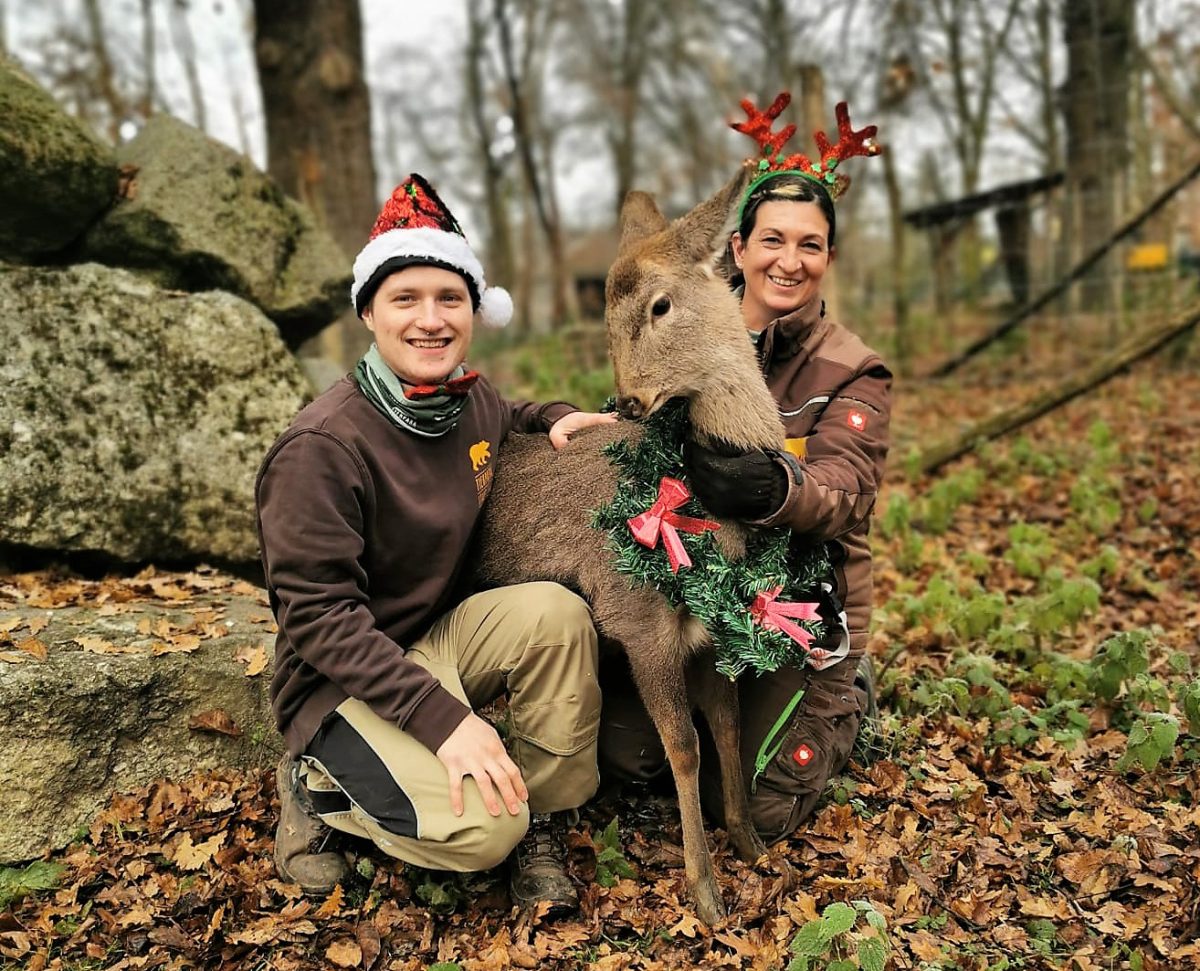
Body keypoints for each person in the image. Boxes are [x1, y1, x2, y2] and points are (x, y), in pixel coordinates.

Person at [256, 173, 616, 916]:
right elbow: (319, 619)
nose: (431, 319)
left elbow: (505, 409)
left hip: (434, 638)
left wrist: (551, 415)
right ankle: (319, 789)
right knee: (486, 830)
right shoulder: (321, 447)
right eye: (405, 299)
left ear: (474, 311)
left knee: (555, 611)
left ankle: (544, 813)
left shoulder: (466, 399)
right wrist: (444, 718)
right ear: (369, 313)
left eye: (450, 299)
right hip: (341, 679)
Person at [598, 98, 892, 841]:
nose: (788, 261)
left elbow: (844, 495)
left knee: (762, 806)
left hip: (798, 609)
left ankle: (846, 690)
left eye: (811, 245)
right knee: (629, 765)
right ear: (738, 246)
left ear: (829, 256)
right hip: (709, 593)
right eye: (773, 239)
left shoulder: (853, 369)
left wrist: (774, 488)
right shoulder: (687, 328)